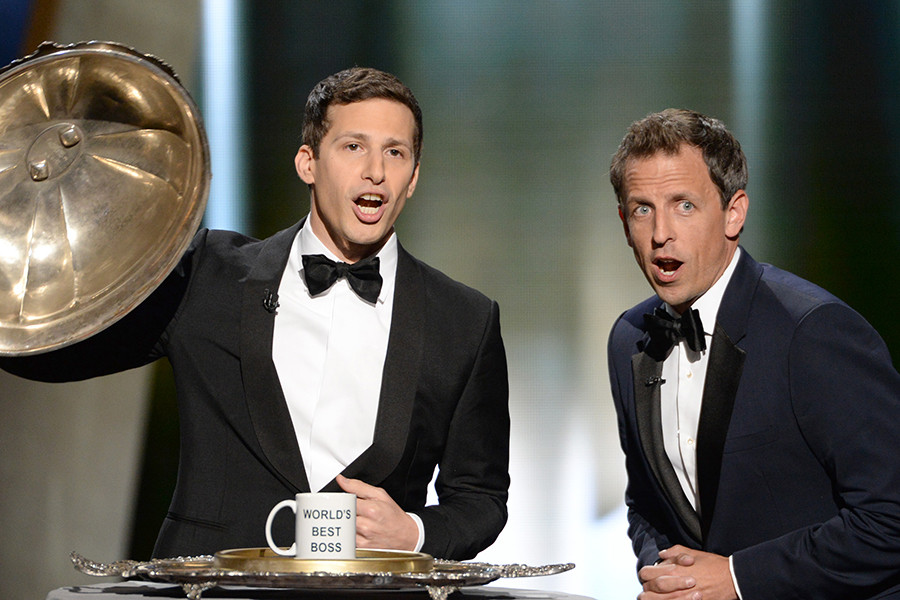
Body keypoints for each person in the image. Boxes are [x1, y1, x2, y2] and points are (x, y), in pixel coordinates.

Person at [0, 67, 510, 561]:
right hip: (215, 588)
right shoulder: (209, 275)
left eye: (394, 153)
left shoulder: (465, 320)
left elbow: (481, 499)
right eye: (353, 146)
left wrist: (415, 532)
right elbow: (60, 347)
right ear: (308, 163)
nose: (375, 171)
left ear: (413, 177)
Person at [606, 108, 900, 599]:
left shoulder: (811, 330)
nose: (660, 234)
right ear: (623, 221)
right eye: (642, 209)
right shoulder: (629, 338)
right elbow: (646, 503)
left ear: (734, 212)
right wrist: (671, 576)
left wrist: (739, 579)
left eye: (683, 205)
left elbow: (890, 518)